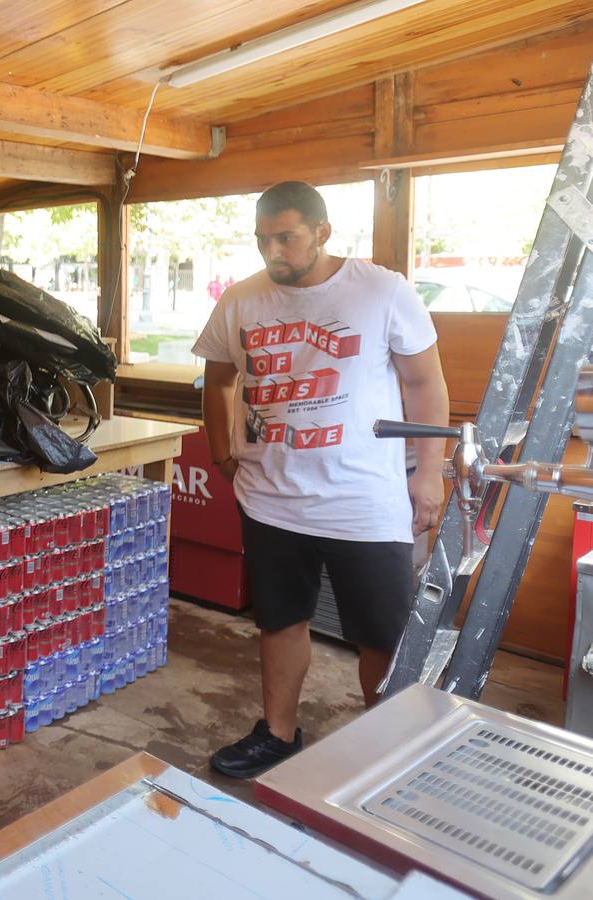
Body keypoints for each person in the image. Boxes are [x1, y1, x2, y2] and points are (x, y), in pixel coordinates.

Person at [192, 181, 448, 779]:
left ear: (323, 232)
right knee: (279, 620)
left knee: (382, 634)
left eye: (286, 238)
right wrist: (223, 453)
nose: (272, 252)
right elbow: (218, 379)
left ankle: (389, 752)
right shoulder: (241, 300)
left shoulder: (381, 290)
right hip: (271, 498)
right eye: (263, 240)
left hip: (364, 500)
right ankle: (279, 733)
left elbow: (426, 385)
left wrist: (429, 473)